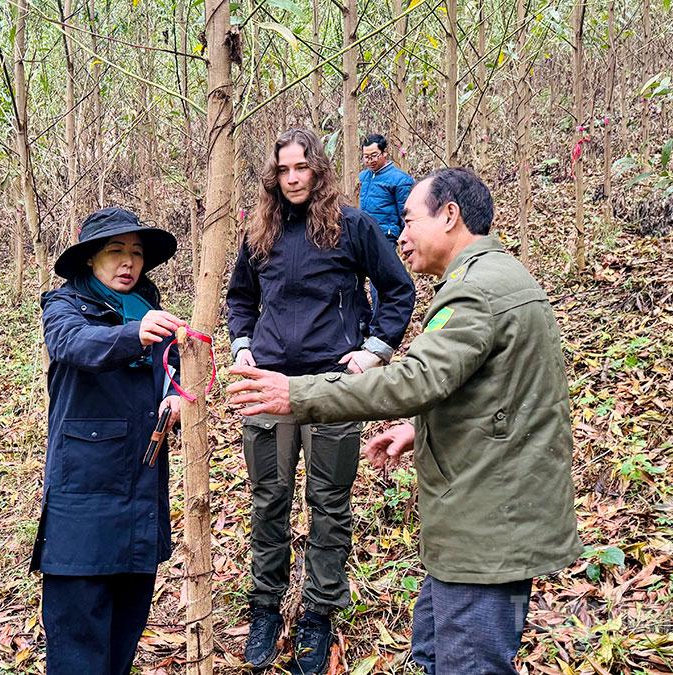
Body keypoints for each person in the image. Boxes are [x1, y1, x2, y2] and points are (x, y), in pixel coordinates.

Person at [228, 167, 583, 675]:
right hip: (476, 518)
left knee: (468, 663)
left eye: (410, 220)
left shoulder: (476, 291)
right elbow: (500, 388)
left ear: (450, 216)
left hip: (488, 525)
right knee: (434, 652)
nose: (400, 233)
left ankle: (319, 614)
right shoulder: (494, 278)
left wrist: (299, 392)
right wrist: (424, 427)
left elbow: (414, 380)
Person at [227, 128, 415, 674]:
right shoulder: (259, 227)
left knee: (329, 502)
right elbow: (241, 296)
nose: (292, 179)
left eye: (301, 168)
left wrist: (374, 350)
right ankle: (266, 606)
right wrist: (243, 346)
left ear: (319, 170)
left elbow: (396, 287)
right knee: (269, 499)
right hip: (267, 384)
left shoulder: (350, 225)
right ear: (272, 175)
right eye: (283, 170)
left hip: (332, 385)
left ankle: (318, 612)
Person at [31, 206, 184, 674]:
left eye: (136, 253)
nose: (128, 262)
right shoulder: (64, 307)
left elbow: (171, 368)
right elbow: (75, 346)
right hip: (83, 495)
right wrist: (133, 335)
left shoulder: (148, 306)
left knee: (124, 635)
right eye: (116, 251)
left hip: (141, 488)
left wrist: (175, 396)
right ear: (91, 259)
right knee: (79, 640)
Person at [358, 134, 415, 312]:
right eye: (366, 157)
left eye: (374, 155)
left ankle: (379, 324)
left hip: (385, 237)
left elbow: (405, 214)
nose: (370, 161)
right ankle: (362, 319)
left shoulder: (400, 180)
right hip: (362, 235)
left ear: (385, 153)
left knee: (379, 284)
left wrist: (406, 239)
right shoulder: (364, 177)